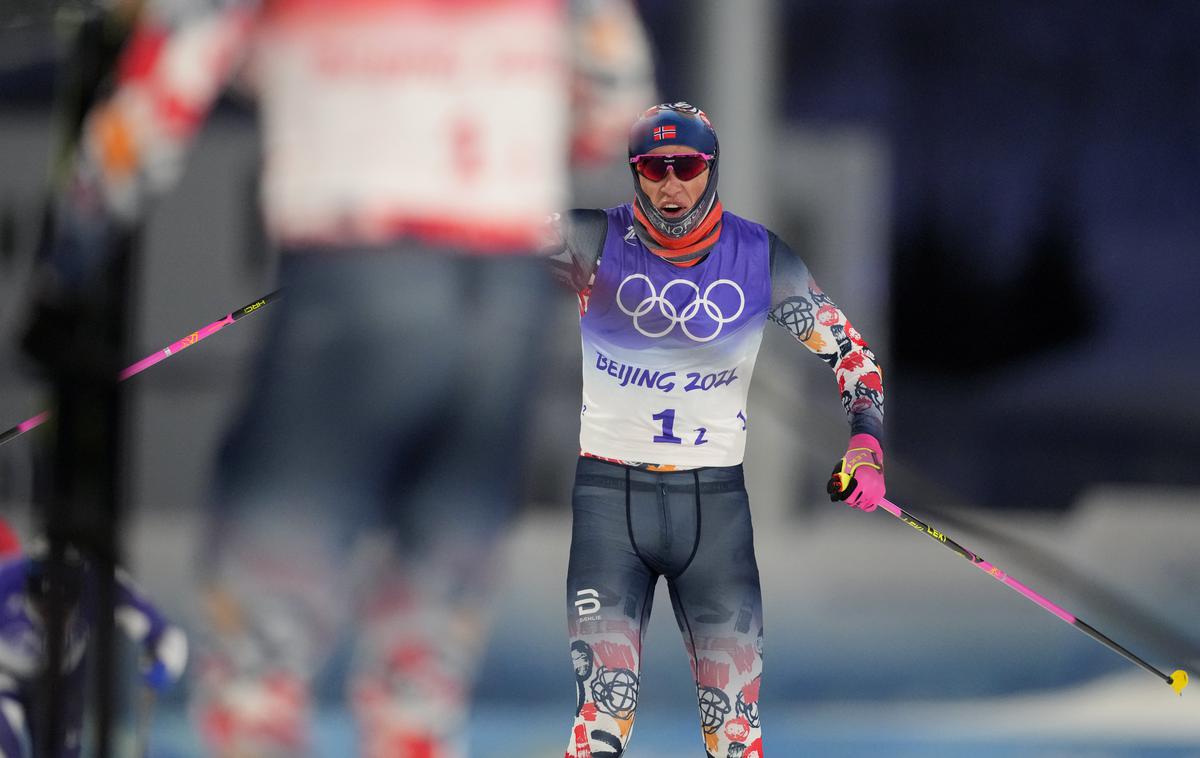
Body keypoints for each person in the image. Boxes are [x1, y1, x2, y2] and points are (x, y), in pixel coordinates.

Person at [28, 0, 655, 755]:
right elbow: (617, 105)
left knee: (264, 626)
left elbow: (163, 91)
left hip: (358, 271)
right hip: (509, 290)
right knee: (424, 646)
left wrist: (71, 256)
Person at [544, 102, 887, 757]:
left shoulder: (759, 256)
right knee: (599, 725)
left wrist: (866, 446)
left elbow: (852, 356)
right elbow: (476, 243)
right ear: (635, 172)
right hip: (609, 508)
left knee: (735, 734)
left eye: (688, 167)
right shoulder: (590, 238)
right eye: (654, 167)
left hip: (715, 514)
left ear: (711, 168)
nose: (671, 185)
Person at [0, 543, 188, 758]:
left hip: (62, 680)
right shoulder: (4, 582)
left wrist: (163, 665)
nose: (52, 619)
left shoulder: (102, 587)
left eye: (64, 610)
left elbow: (167, 637)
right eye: (44, 609)